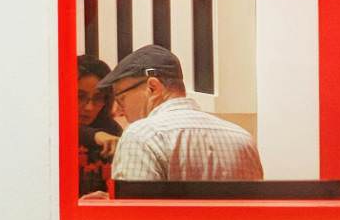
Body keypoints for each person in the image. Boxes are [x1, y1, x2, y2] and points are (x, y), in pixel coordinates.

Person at [99, 44, 262, 183]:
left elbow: (134, 214)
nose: (117, 110)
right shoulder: (242, 138)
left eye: (121, 98)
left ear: (153, 87)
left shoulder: (142, 136)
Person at [75, 56, 124, 196]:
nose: (89, 107)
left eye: (98, 98)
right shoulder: (50, 125)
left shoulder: (112, 129)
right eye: (80, 96)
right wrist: (95, 136)